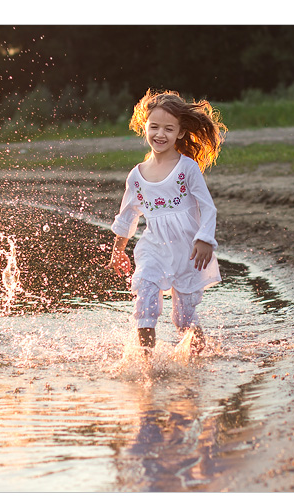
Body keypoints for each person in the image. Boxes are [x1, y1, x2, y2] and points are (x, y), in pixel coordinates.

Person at [105, 89, 226, 355]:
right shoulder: (136, 176)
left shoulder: (187, 168)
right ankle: (145, 365)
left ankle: (199, 360)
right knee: (145, 303)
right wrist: (118, 249)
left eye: (168, 129)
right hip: (154, 248)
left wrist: (205, 239)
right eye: (154, 127)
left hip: (188, 251)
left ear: (180, 133)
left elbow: (208, 208)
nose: (160, 134)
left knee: (183, 321)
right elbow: (128, 216)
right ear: (144, 127)